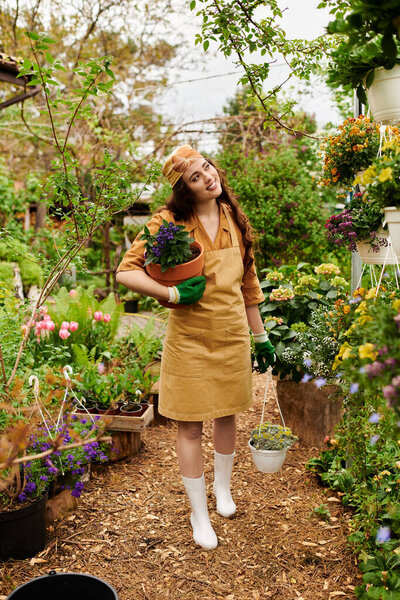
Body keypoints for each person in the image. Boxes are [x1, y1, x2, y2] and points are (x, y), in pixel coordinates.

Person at [116, 144, 275, 550]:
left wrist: (261, 337)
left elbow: (248, 286)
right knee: (189, 426)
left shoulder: (232, 217)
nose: (208, 178)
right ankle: (198, 514)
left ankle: (222, 492)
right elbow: (126, 272)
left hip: (232, 335)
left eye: (208, 168)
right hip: (189, 339)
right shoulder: (167, 222)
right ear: (185, 190)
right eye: (196, 177)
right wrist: (170, 295)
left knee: (227, 416)